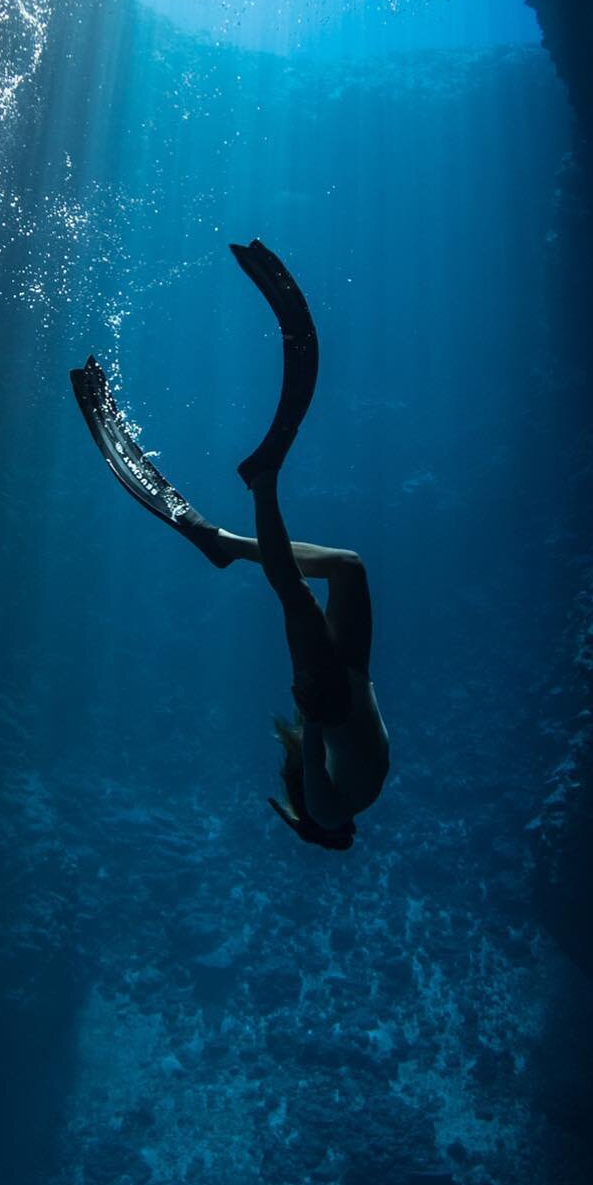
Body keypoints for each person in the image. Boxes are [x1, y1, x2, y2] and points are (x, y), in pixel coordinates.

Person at [70, 240, 389, 851]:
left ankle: (262, 486)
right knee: (349, 569)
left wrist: (317, 708)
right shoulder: (341, 809)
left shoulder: (326, 815)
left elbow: (321, 752)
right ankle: (224, 543)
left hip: (329, 698)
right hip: (351, 682)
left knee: (296, 589)